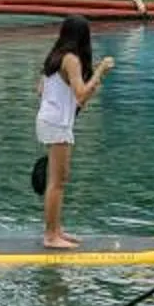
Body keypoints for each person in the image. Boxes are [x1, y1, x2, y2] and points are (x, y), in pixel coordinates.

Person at [35, 15, 112, 248]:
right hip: (57, 123)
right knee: (57, 181)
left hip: (52, 120)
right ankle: (51, 236)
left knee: (59, 179)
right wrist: (99, 72)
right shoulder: (71, 59)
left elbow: (41, 90)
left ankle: (57, 229)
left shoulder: (55, 57)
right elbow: (80, 93)